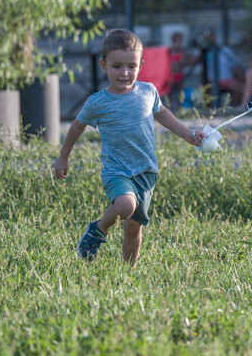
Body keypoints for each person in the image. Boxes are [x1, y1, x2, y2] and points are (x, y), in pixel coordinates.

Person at [53, 29, 205, 266]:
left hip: (146, 171)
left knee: (133, 228)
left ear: (140, 65)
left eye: (131, 66)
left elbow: (162, 113)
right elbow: (76, 127)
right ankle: (97, 230)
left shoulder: (148, 91)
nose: (124, 73)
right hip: (117, 171)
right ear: (103, 65)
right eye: (116, 66)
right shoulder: (98, 102)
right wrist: (63, 157)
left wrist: (188, 134)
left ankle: (128, 273)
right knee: (125, 205)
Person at [167, 31, 190, 110]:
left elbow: (189, 62)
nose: (179, 42)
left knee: (180, 95)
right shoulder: (169, 51)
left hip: (180, 76)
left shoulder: (183, 52)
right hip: (171, 76)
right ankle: (169, 111)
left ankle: (179, 111)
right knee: (170, 95)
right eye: (178, 40)